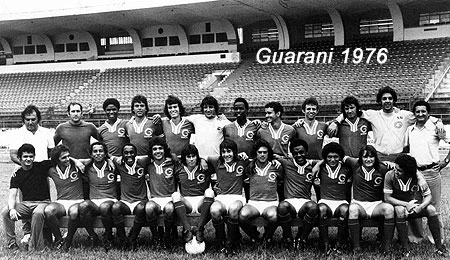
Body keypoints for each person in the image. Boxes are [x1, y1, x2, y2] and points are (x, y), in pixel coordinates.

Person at [7, 105, 55, 246]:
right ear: (23, 120)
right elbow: (13, 154)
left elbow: (52, 153)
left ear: (38, 119)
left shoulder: (46, 133)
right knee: (25, 202)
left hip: (41, 171)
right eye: (27, 119)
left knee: (43, 202)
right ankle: (27, 232)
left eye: (33, 119)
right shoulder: (18, 133)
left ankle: (46, 233)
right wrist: (24, 166)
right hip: (24, 172)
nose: (30, 122)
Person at [384, 154, 447, 257]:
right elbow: (387, 198)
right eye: (395, 168)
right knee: (400, 210)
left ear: (408, 172)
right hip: (399, 206)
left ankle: (439, 247)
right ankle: (405, 249)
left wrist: (421, 207)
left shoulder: (418, 178)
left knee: (431, 209)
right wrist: (406, 204)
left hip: (415, 207)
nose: (396, 171)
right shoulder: (390, 175)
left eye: (399, 170)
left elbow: (428, 196)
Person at [405, 100, 450, 243]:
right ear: (414, 113)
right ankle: (415, 238)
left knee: (434, 207)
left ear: (428, 113)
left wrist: (445, 162)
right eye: (417, 111)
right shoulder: (409, 130)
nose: (420, 114)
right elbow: (406, 150)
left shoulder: (435, 128)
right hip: (414, 174)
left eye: (423, 111)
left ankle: (435, 238)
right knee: (414, 204)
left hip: (432, 172)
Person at [1, 144, 57, 251]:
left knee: (38, 213)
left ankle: (35, 247)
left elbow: (58, 157)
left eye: (31, 156)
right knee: (5, 211)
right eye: (25, 156)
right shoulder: (17, 175)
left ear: (34, 157)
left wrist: (76, 161)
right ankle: (12, 244)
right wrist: (12, 209)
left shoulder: (41, 166)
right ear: (19, 158)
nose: (28, 159)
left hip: (43, 203)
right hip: (26, 204)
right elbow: (12, 195)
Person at [344, 145, 395, 253]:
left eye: (371, 157)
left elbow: (401, 168)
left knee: (389, 209)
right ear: (360, 158)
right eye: (365, 157)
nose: (368, 159)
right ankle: (356, 247)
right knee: (352, 210)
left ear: (375, 157)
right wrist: (319, 164)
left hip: (376, 204)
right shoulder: (355, 164)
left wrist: (392, 164)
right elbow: (341, 157)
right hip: (359, 204)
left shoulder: (382, 168)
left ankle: (386, 247)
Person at [43, 145, 88, 251]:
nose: (67, 159)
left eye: (68, 156)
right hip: (61, 202)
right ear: (56, 160)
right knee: (48, 211)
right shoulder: (51, 170)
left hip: (77, 201)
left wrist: (76, 161)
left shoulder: (77, 166)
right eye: (64, 157)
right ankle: (59, 239)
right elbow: (35, 168)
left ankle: (68, 239)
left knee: (74, 212)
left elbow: (94, 159)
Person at [208, 139, 249, 255]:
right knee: (214, 210)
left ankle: (231, 242)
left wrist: (245, 154)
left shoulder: (242, 161)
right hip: (221, 197)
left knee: (233, 209)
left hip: (237, 197)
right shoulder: (217, 161)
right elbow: (205, 158)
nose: (226, 155)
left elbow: (255, 160)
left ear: (235, 151)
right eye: (224, 152)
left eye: (229, 151)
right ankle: (220, 239)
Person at [239, 139, 284, 247]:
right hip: (254, 203)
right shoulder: (250, 166)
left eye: (265, 152)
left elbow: (282, 180)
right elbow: (235, 159)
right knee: (242, 215)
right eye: (260, 152)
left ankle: (267, 237)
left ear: (269, 153)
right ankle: (255, 236)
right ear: (255, 153)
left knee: (273, 216)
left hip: (270, 202)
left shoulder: (276, 166)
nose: (262, 155)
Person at [277, 138, 319, 250]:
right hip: (290, 201)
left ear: (306, 152)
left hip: (304, 202)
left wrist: (319, 165)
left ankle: (302, 239)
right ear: (292, 154)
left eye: (301, 152)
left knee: (313, 207)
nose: (299, 155)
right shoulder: (286, 163)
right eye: (295, 153)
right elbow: (271, 155)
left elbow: (327, 158)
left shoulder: (312, 165)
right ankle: (287, 237)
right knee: (282, 206)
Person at [77, 142, 117, 250]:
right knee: (83, 206)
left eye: (101, 151)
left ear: (105, 153)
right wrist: (76, 161)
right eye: (95, 151)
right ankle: (92, 236)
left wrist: (109, 159)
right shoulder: (88, 166)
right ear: (91, 154)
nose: (98, 153)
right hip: (94, 201)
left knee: (104, 207)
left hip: (110, 200)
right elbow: (71, 159)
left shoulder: (112, 165)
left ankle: (109, 235)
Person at [171, 144, 214, 245]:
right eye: (188, 157)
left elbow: (216, 161)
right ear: (184, 158)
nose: (191, 159)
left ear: (197, 157)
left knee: (210, 192)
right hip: (187, 202)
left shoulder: (204, 167)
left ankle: (200, 229)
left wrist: (202, 159)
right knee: (175, 195)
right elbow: (171, 154)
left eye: (193, 156)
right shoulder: (178, 168)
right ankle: (187, 230)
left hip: (201, 202)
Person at [110, 143, 149, 250]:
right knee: (115, 207)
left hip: (140, 200)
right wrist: (111, 159)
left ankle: (132, 239)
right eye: (126, 153)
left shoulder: (142, 162)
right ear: (122, 155)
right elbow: (108, 155)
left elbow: (154, 155)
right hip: (125, 202)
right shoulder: (119, 164)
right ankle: (123, 240)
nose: (129, 155)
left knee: (142, 208)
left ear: (136, 153)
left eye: (132, 152)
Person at [315, 142, 352, 254]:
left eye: (335, 157)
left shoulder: (347, 168)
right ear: (325, 157)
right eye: (329, 157)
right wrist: (318, 164)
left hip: (341, 201)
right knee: (321, 210)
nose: (332, 159)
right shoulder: (320, 167)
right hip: (325, 201)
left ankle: (339, 243)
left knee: (345, 211)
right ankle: (324, 243)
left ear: (340, 156)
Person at [144, 137, 177, 249]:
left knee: (169, 209)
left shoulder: (172, 163)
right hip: (155, 199)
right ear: (151, 152)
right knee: (148, 208)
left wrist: (173, 157)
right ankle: (156, 237)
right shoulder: (148, 166)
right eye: (155, 149)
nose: (158, 151)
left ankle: (167, 237)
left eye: (160, 148)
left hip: (170, 198)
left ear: (165, 150)